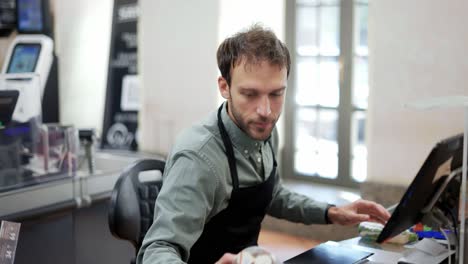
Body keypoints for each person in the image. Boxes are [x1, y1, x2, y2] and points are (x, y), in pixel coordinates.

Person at [137, 25, 390, 264]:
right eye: (250, 94)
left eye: (276, 93)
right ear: (225, 87)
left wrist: (331, 212)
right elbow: (157, 250)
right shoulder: (198, 158)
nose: (266, 111)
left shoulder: (263, 129)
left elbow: (273, 195)